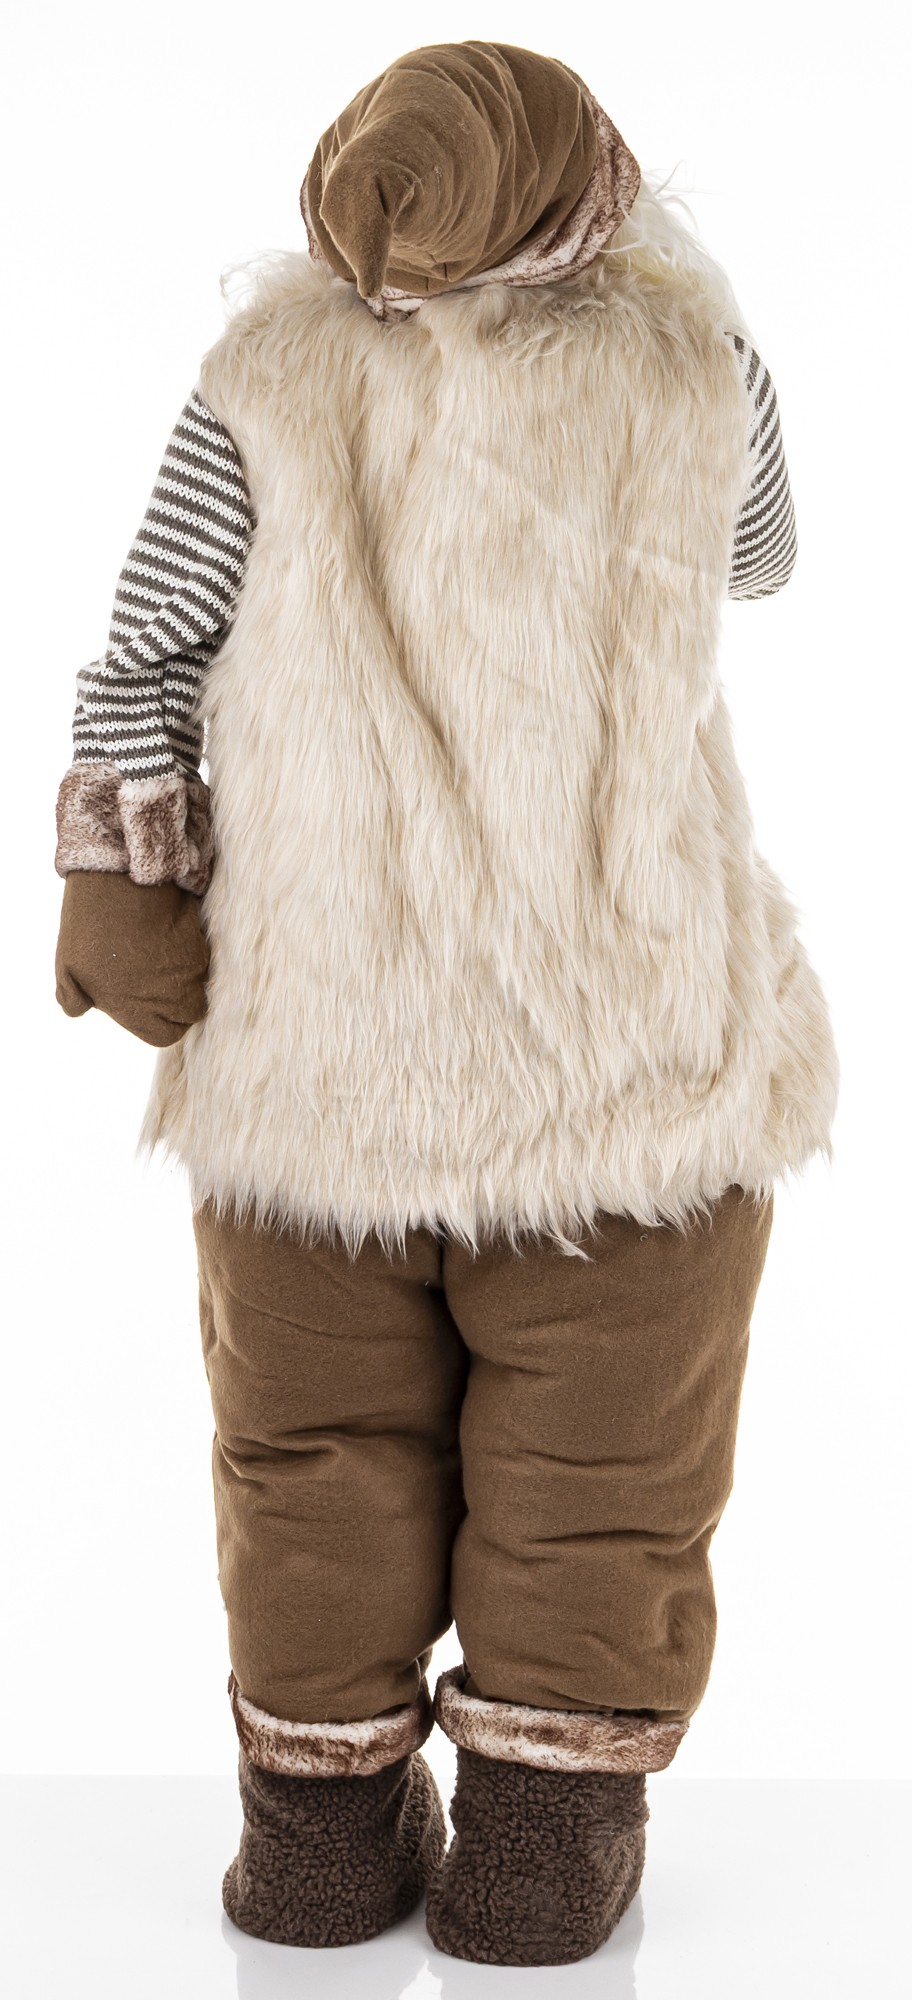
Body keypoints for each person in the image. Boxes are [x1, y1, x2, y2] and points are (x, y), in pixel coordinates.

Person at [53, 39, 839, 1968]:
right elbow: (765, 558)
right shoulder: (692, 371)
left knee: (312, 1455)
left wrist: (119, 882)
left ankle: (316, 1850)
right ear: (600, 197)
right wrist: (680, 301)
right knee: (602, 1466)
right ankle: (546, 1853)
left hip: (313, 1058)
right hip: (626, 1055)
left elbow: (144, 649)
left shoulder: (260, 382)